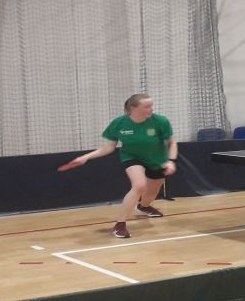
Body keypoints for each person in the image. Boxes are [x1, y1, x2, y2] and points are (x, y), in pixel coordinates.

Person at [69, 93, 176, 239]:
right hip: (132, 157)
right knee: (139, 186)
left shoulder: (160, 121)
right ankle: (120, 224)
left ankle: (144, 206)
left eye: (151, 106)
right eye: (147, 106)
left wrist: (170, 160)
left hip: (157, 160)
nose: (151, 109)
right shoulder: (119, 123)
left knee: (152, 192)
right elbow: (109, 148)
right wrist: (85, 157)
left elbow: (172, 143)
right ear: (133, 108)